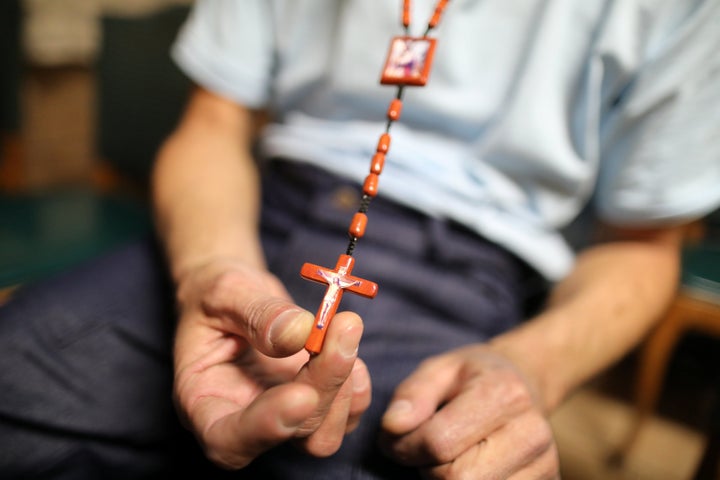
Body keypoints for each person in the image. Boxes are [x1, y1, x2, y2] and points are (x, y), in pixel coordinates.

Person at [2, 0, 720, 478]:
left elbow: (644, 244)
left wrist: (530, 365)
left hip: (473, 264)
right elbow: (212, 125)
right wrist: (211, 270)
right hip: (242, 216)